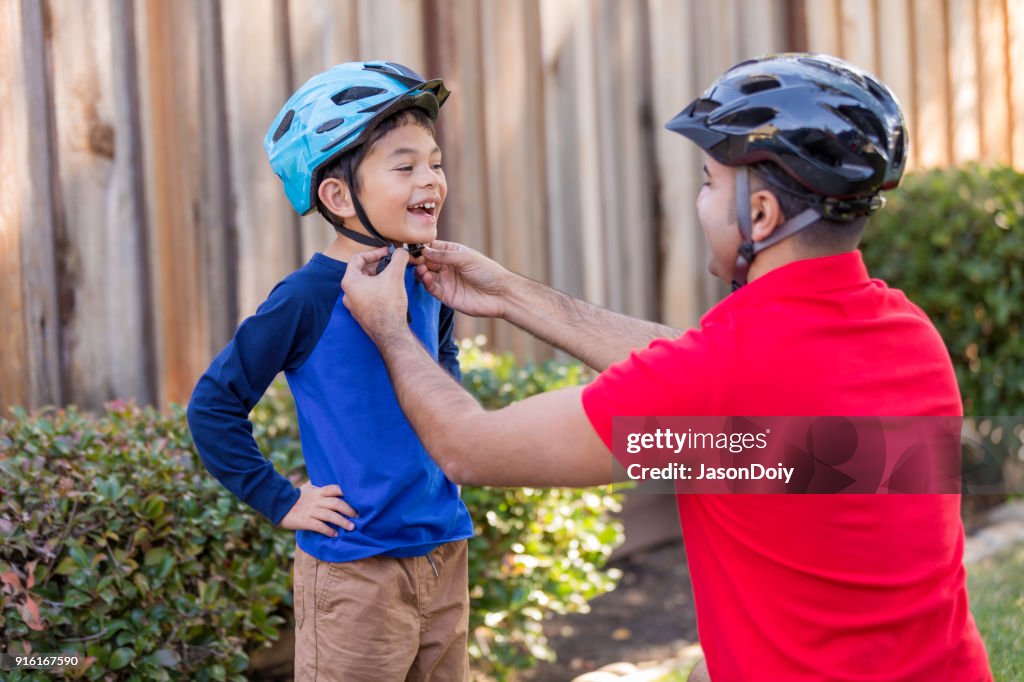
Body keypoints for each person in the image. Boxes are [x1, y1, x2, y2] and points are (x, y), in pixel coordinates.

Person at [340, 54, 993, 680]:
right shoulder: (907, 334)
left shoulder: (723, 377)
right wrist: (513, 295)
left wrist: (392, 331)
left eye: (711, 184)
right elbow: (714, 387)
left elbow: (469, 450)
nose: (702, 202)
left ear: (760, 215)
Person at [186, 61, 473, 682]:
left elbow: (443, 360)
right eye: (405, 166)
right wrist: (282, 499)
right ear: (339, 196)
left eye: (435, 161)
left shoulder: (425, 277)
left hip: (444, 552)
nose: (431, 179)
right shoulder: (307, 298)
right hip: (356, 572)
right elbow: (213, 406)